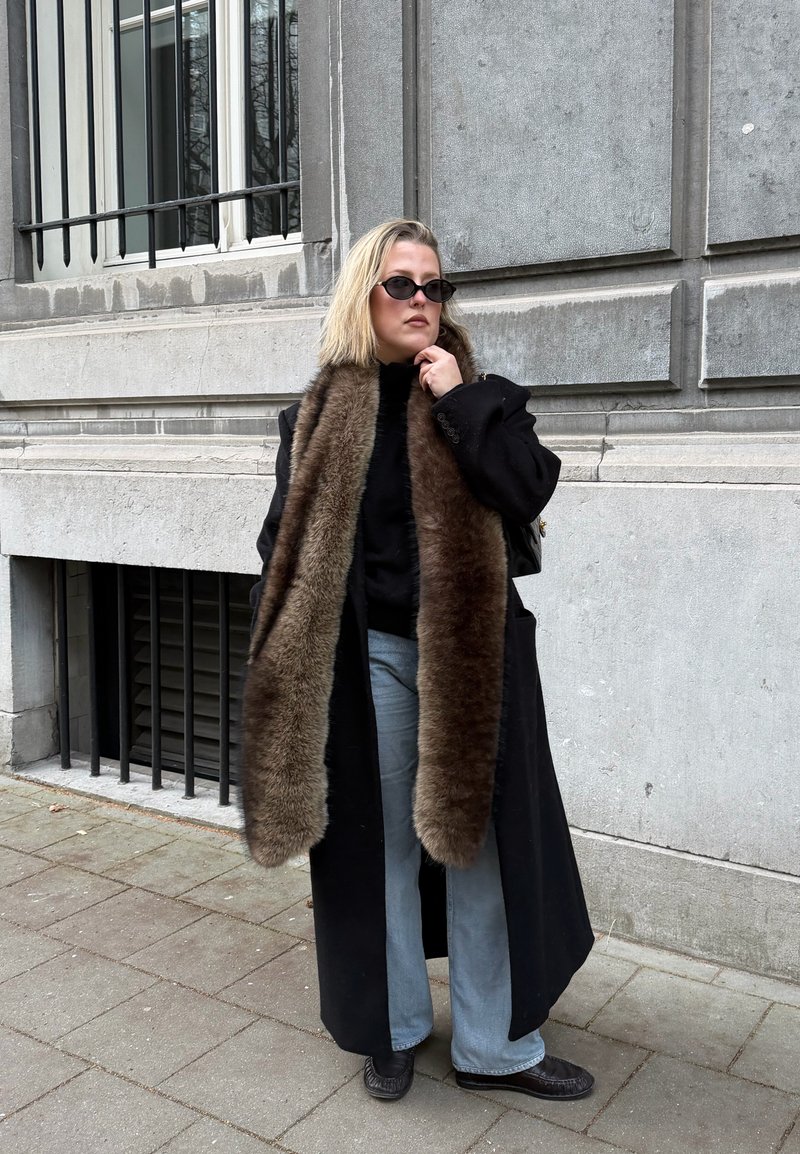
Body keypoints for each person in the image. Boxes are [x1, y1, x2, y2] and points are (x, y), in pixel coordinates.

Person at [242, 219, 595, 1102]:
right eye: (402, 284)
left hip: (471, 662)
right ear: (364, 295)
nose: (422, 301)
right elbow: (282, 543)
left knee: (482, 850)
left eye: (435, 286)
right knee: (382, 850)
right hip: (371, 662)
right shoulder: (317, 416)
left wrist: (460, 402)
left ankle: (494, 1049)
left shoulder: (483, 402)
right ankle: (393, 1030)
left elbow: (529, 486)